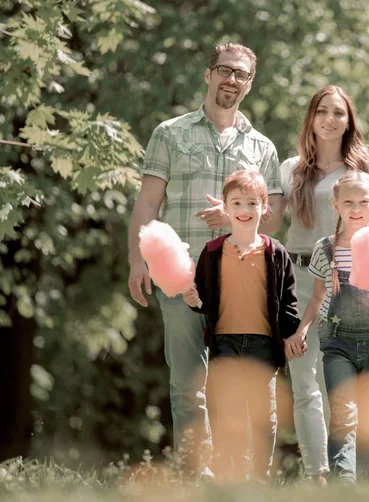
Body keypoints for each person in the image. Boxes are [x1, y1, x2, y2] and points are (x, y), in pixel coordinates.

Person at [127, 43, 284, 471]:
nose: (231, 79)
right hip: (180, 277)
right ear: (208, 73)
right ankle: (196, 473)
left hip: (241, 281)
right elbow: (146, 205)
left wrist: (234, 218)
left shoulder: (262, 148)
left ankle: (237, 473)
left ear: (249, 84)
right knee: (187, 382)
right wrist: (136, 261)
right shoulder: (170, 133)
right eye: (225, 70)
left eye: (241, 74)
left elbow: (272, 217)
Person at [277, 85, 369, 484]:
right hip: (295, 277)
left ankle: (345, 473)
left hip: (345, 280)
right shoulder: (290, 169)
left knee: (337, 379)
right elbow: (270, 222)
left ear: (349, 121)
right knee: (303, 380)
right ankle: (316, 474)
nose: (330, 119)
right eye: (322, 111)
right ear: (311, 117)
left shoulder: (363, 170)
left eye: (339, 112)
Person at [285, 170, 369, 484]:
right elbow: (318, 297)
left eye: (364, 201)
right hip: (336, 344)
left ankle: (364, 485)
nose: (356, 207)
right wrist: (300, 330)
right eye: (348, 201)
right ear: (335, 206)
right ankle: (345, 487)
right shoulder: (325, 249)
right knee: (342, 418)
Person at [182, 170, 300, 482]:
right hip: (225, 343)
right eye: (236, 203)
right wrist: (193, 300)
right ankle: (228, 477)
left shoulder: (276, 253)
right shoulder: (212, 252)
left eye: (251, 203)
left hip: (264, 344)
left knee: (263, 415)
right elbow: (204, 300)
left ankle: (260, 477)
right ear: (226, 208)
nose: (244, 210)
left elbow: (288, 301)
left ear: (265, 206)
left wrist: (290, 335)